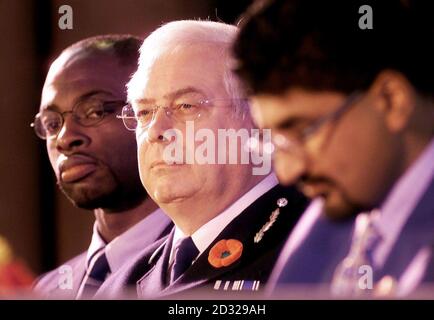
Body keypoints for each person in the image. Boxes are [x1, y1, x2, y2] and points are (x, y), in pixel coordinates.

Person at [233, 0, 434, 297]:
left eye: (303, 131)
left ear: (392, 100)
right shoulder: (325, 226)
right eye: (274, 141)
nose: (287, 173)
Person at [97, 20, 308, 299]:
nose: (156, 132)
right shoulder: (119, 286)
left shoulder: (315, 251)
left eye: (186, 106)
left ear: (258, 118)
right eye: (145, 113)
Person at [32, 35, 172, 299]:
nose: (64, 138)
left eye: (95, 111)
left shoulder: (202, 272)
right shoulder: (45, 291)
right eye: (52, 124)